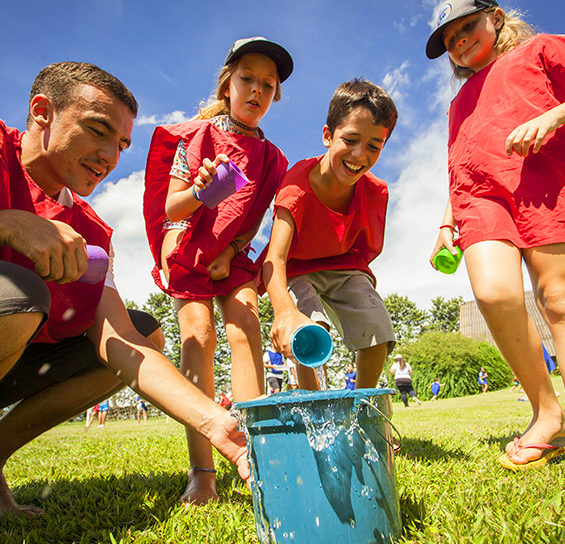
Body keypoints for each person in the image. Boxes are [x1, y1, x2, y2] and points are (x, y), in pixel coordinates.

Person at [0, 62, 249, 518]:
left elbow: (119, 341)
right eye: (98, 131)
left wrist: (216, 422)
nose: (110, 157)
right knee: (19, 294)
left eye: (121, 144)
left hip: (16, 355)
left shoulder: (93, 232)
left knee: (144, 332)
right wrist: (10, 223)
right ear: (42, 112)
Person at [143, 37, 293, 505]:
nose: (257, 90)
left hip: (233, 255)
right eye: (247, 79)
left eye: (268, 85)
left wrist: (233, 249)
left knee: (246, 324)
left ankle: (257, 453)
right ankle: (203, 470)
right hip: (189, 249)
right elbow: (172, 204)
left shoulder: (272, 159)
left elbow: (254, 216)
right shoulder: (197, 138)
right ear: (228, 83)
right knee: (198, 335)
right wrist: (202, 194)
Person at [426, 0, 565, 469]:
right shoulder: (457, 104)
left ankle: (552, 423)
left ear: (497, 17)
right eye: (451, 40)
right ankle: (546, 411)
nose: (461, 41)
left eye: (468, 26)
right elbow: (457, 164)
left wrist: (551, 117)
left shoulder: (541, 51)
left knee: (557, 298)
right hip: (479, 201)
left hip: (542, 179)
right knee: (492, 292)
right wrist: (447, 221)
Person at [263, 78, 397, 391]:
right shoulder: (297, 185)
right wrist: (284, 311)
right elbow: (275, 258)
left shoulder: (375, 192)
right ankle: (316, 407)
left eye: (374, 146)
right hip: (296, 269)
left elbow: (365, 250)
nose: (359, 155)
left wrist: (358, 286)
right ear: (328, 135)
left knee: (377, 327)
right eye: (350, 140)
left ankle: (365, 407)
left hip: (344, 266)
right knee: (310, 329)